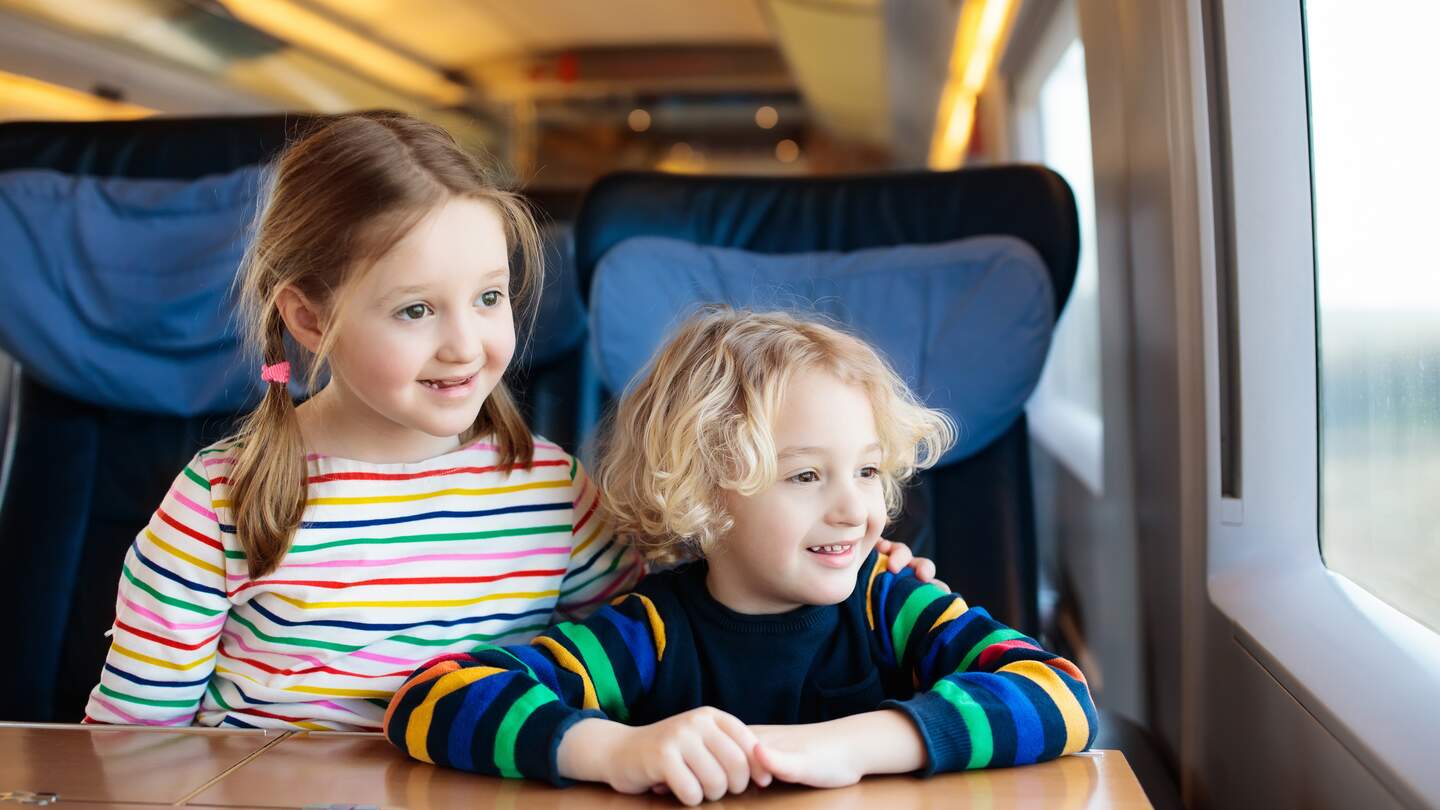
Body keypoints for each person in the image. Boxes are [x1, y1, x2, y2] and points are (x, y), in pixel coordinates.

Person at [82, 114, 934, 731]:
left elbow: (668, 636)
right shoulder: (219, 503)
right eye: (416, 310)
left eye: (489, 299)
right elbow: (132, 751)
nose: (466, 345)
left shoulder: (551, 489)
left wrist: (856, 570)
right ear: (307, 320)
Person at [383, 307, 1098, 806]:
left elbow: (1063, 696)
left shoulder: (891, 601)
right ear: (707, 497)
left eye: (869, 471)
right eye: (807, 477)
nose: (855, 509)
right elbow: (431, 699)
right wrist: (613, 753)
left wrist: (856, 744)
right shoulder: (649, 635)